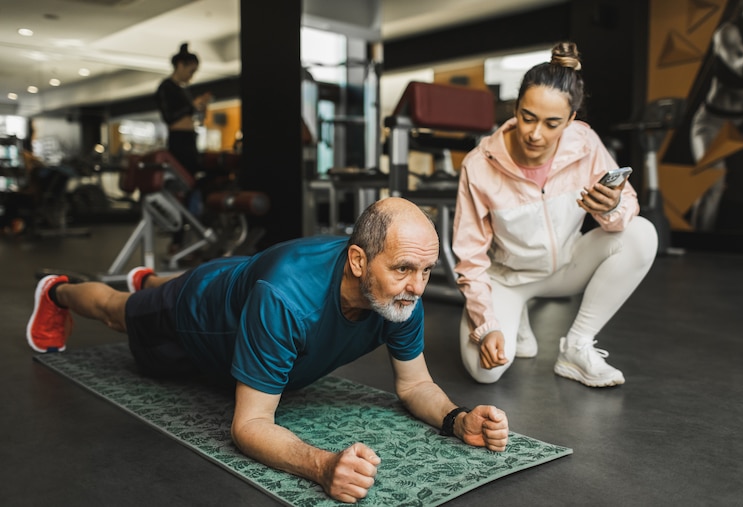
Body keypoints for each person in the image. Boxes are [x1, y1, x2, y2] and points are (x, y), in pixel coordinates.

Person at [26, 197, 509, 504]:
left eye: (426, 272)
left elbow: (416, 383)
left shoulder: (402, 298)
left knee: (169, 293)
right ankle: (58, 291)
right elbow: (250, 424)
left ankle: (151, 282)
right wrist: (322, 466)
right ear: (359, 261)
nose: (417, 287)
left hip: (245, 281)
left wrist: (456, 419)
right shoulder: (285, 298)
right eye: (405, 269)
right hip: (200, 313)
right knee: (121, 312)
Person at [452, 41, 658, 388]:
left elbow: (628, 206)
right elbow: (469, 256)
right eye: (527, 117)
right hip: (509, 279)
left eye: (552, 123)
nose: (535, 133)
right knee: (486, 372)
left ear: (571, 120)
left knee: (642, 233)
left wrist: (610, 208)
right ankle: (514, 321)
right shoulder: (479, 164)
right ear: (515, 107)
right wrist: (486, 326)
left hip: (567, 267)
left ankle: (576, 347)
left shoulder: (584, 142)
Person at [689, 0, 743, 231]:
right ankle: (698, 248)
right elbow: (741, 68)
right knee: (712, 183)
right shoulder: (728, 33)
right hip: (714, 121)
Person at [155, 42, 213, 253]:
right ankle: (178, 240)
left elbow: (193, 117)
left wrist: (200, 108)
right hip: (178, 142)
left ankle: (193, 235)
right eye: (191, 70)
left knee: (195, 188)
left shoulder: (184, 91)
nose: (192, 75)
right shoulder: (166, 88)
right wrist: (194, 105)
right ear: (180, 65)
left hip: (190, 140)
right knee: (183, 189)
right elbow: (171, 117)